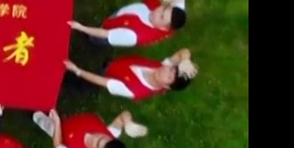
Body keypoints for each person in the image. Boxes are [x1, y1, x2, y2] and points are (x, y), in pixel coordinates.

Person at [69, 0, 187, 47]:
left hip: (111, 31)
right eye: (163, 8)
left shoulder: (132, 35)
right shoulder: (174, 13)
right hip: (124, 16)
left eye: (161, 17)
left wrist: (81, 27)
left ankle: (91, 39)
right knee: (114, 18)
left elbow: (104, 34)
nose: (157, 11)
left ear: (164, 28)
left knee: (98, 37)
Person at [62, 47, 198, 101]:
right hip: (116, 66)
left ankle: (69, 81)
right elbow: (184, 52)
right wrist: (185, 61)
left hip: (103, 77)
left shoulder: (133, 90)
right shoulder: (162, 67)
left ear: (167, 87)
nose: (165, 70)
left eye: (169, 77)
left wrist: (77, 70)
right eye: (170, 69)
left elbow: (99, 80)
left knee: (81, 82)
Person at [32, 108, 148, 148]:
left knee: (41, 119)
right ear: (110, 137)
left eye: (97, 144)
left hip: (58, 130)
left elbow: (58, 147)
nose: (95, 138)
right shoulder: (111, 133)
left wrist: (57, 123)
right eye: (101, 137)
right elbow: (124, 115)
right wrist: (128, 122)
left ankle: (36, 115)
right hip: (75, 120)